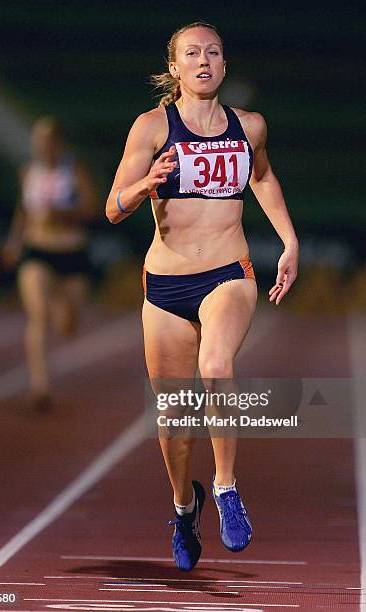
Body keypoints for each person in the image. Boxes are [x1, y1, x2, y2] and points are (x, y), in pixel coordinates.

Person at [106, 22, 298, 571]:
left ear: (223, 63)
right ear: (175, 68)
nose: (204, 61)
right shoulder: (151, 128)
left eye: (213, 52)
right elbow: (113, 207)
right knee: (175, 422)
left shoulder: (249, 126)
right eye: (192, 53)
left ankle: (226, 488)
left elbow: (261, 178)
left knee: (217, 364)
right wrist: (145, 184)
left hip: (228, 273)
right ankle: (184, 506)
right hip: (164, 286)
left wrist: (289, 240)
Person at [4, 116, 99, 411]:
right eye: (38, 141)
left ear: (59, 143)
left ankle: (60, 297)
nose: (42, 147)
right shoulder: (28, 172)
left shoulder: (75, 171)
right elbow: (23, 210)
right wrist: (14, 242)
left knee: (67, 325)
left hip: (70, 252)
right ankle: (40, 387)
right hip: (37, 250)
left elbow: (92, 208)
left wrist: (61, 214)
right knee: (39, 316)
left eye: (48, 141)